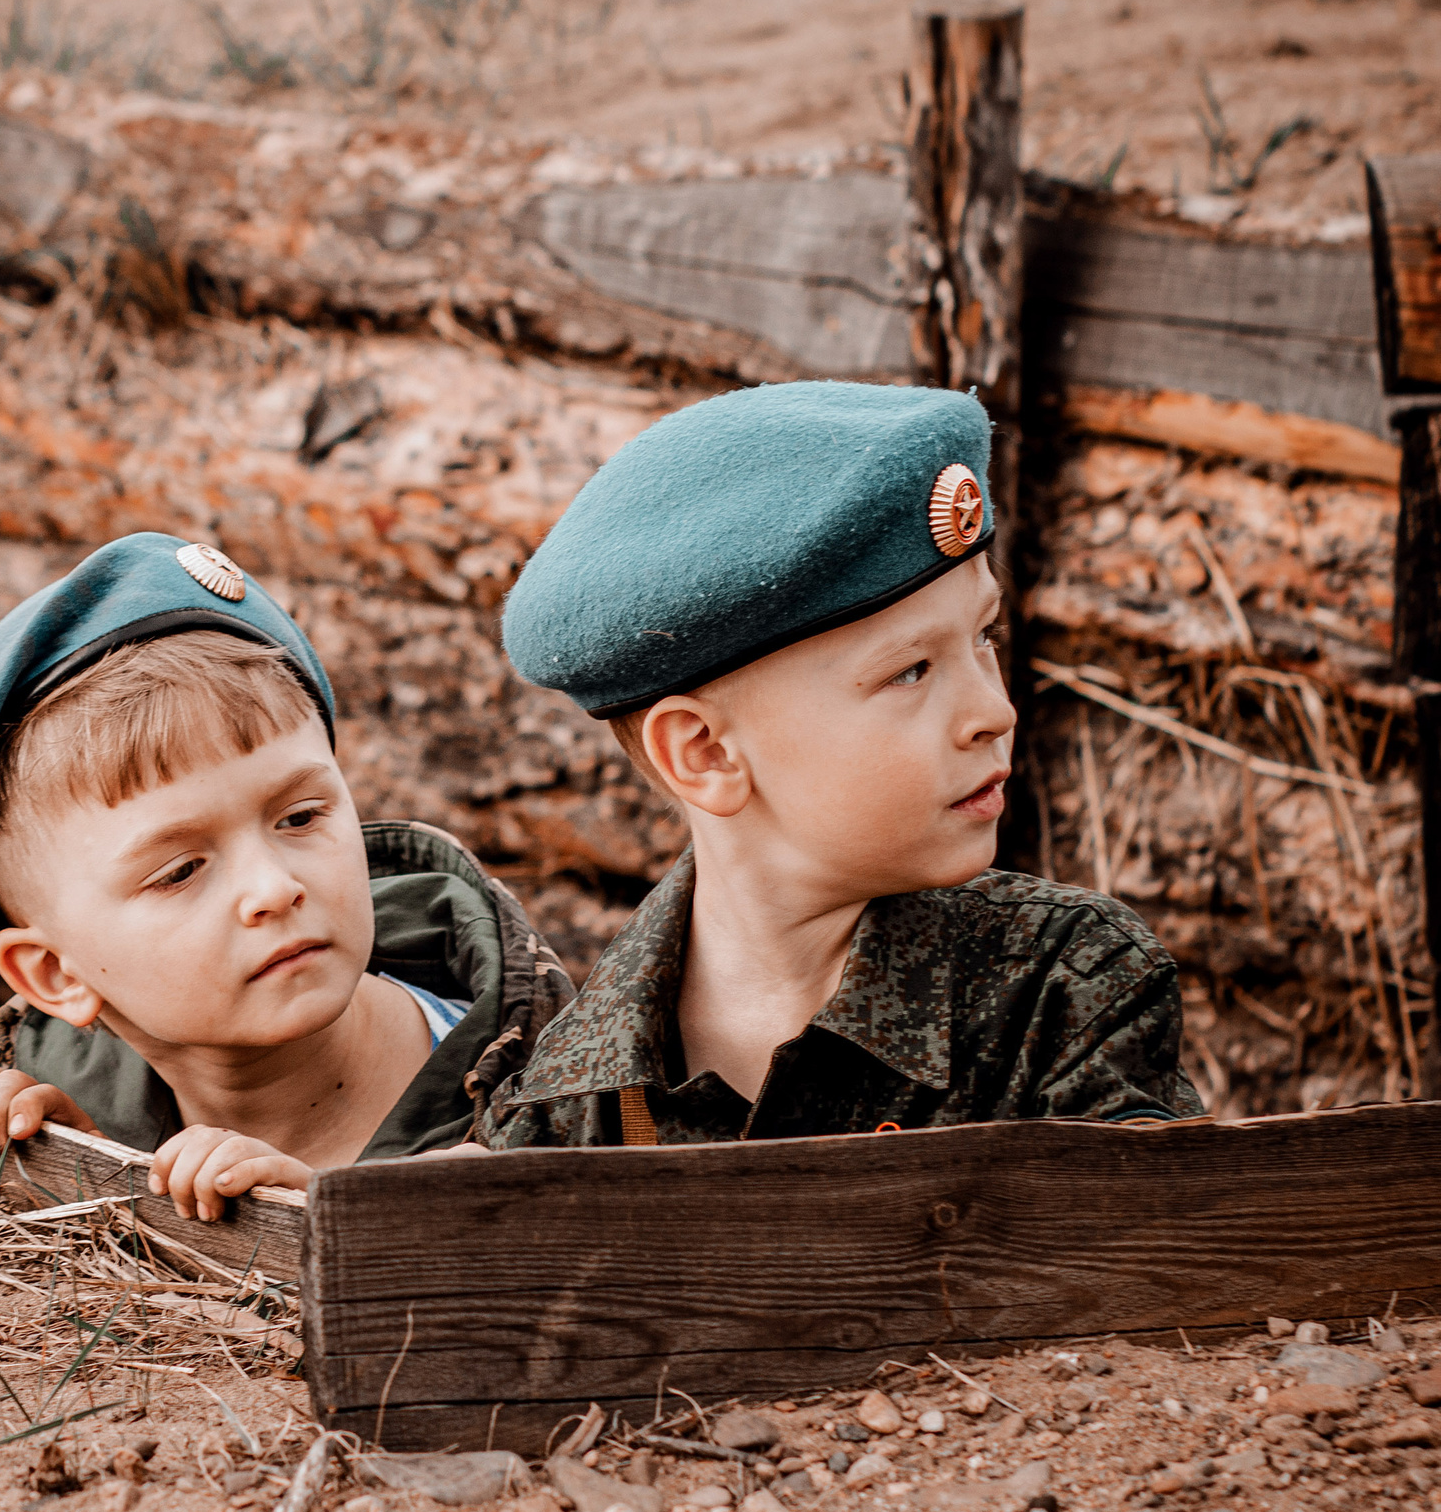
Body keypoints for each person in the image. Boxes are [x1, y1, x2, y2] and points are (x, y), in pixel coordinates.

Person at [478, 380, 1201, 1149]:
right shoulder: (562, 1118)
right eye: (911, 670)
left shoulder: (1061, 990)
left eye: (984, 634)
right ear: (706, 753)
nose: (994, 711)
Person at [0, 532, 571, 1219]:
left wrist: (350, 1222)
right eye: (179, 871)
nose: (272, 889)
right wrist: (78, 1171)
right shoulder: (65, 1102)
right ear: (56, 974)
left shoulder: (555, 1100)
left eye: (298, 818)